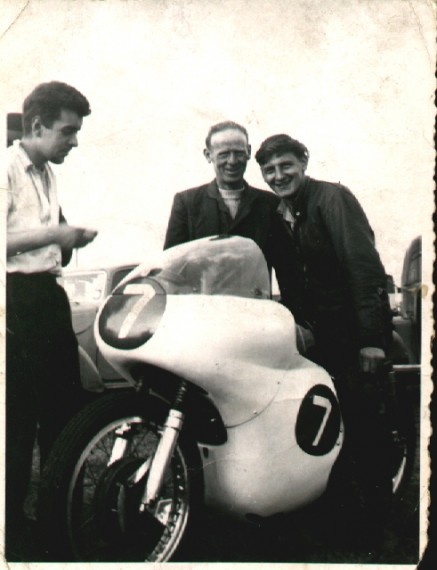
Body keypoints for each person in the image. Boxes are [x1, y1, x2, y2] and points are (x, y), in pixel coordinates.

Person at [255, 133, 395, 548]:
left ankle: (379, 529)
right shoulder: (277, 214)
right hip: (315, 341)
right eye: (269, 170)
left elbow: (364, 268)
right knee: (329, 430)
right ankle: (339, 522)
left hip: (352, 338)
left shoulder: (332, 199)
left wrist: (371, 340)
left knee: (365, 430)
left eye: (286, 165)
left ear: (304, 162)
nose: (278, 175)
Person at [6, 81, 97, 559]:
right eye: (68, 131)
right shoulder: (6, 168)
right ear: (37, 126)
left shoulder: (46, 173)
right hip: (15, 301)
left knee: (62, 413)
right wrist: (55, 234)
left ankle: (55, 523)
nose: (75, 141)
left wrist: (67, 240)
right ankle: (12, 531)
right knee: (17, 422)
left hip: (48, 297)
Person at [163, 122, 303, 314]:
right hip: (202, 317)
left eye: (238, 153)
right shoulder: (187, 203)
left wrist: (293, 319)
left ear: (248, 152)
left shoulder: (270, 204)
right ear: (208, 155)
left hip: (255, 316)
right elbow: (171, 272)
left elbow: (289, 274)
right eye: (223, 154)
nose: (232, 161)